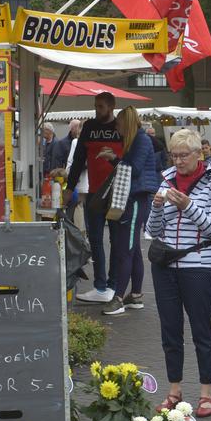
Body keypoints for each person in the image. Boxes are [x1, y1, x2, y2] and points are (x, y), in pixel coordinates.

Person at [147, 129, 211, 418]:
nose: (179, 161)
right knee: (170, 330)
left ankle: (207, 392)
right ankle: (174, 389)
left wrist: (188, 206)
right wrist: (157, 208)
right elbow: (152, 230)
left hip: (199, 265)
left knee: (201, 330)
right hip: (165, 265)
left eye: (184, 155)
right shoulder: (165, 179)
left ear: (199, 154)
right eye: (174, 155)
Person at [65, 92, 122, 303]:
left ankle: (113, 286)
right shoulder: (89, 127)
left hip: (118, 193)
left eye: (101, 106)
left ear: (112, 106)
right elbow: (79, 158)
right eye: (96, 106)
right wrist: (69, 187)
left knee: (116, 240)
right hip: (95, 191)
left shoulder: (121, 127)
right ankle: (100, 286)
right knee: (96, 239)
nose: (97, 110)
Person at [101, 106, 158, 315]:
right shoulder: (138, 140)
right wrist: (115, 159)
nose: (116, 127)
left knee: (125, 250)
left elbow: (134, 169)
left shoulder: (140, 141)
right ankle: (135, 295)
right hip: (136, 199)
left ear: (126, 123)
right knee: (132, 251)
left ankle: (118, 298)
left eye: (118, 123)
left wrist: (114, 160)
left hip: (134, 200)